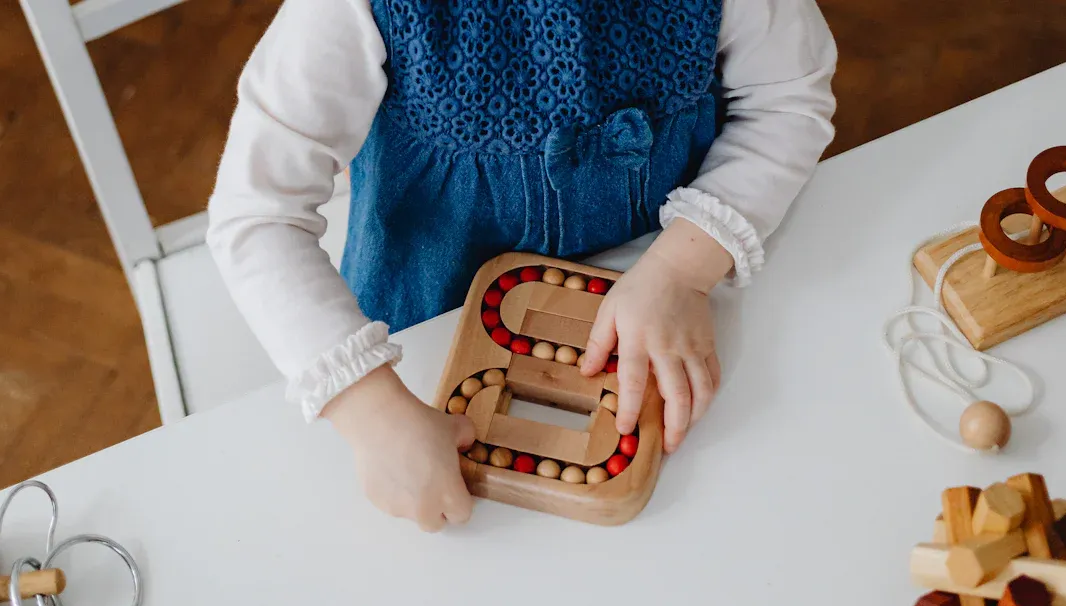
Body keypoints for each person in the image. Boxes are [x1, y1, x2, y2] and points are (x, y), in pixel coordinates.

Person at [207, 0, 837, 531]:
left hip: (683, 278)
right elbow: (257, 215)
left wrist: (683, 267)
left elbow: (788, 100)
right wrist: (369, 410)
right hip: (429, 334)